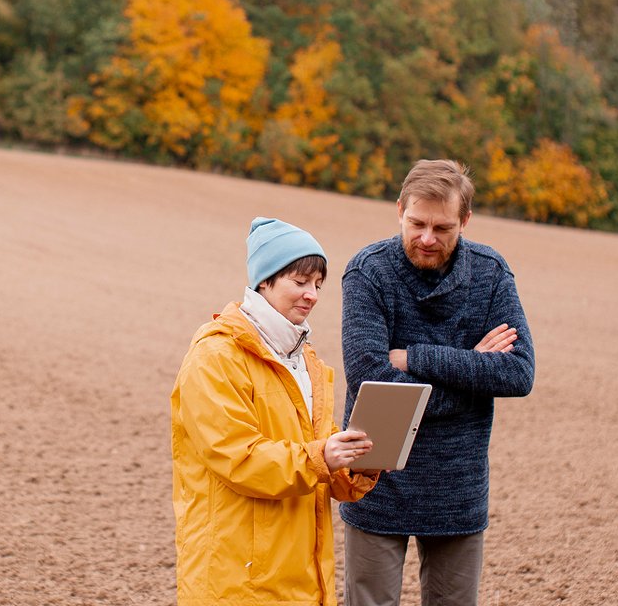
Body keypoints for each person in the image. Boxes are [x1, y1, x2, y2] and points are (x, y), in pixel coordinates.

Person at [340, 159, 535, 606]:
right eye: (417, 223)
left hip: (457, 484)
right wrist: (472, 373)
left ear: (465, 221)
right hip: (377, 475)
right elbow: (371, 379)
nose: (427, 238)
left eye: (442, 227)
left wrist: (415, 358)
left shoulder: (490, 274)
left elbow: (519, 372)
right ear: (399, 211)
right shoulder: (368, 272)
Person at [171, 217, 381, 606]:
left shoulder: (308, 363)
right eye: (299, 282)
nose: (312, 295)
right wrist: (323, 456)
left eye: (317, 285)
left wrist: (358, 463)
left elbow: (321, 459)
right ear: (264, 281)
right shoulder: (216, 357)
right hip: (239, 578)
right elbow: (237, 457)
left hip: (301, 574)